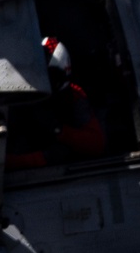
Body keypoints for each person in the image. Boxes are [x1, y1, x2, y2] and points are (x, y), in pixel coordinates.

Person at [6, 35, 107, 169]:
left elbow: (96, 144)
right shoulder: (13, 99)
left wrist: (58, 130)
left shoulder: (73, 96)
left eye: (50, 77)